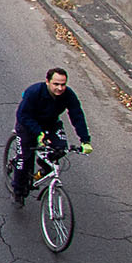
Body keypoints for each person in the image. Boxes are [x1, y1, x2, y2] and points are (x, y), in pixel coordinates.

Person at [10, 67, 92, 201]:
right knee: (24, 160)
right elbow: (23, 115)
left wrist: (85, 140)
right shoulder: (34, 92)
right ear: (47, 81)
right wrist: (38, 133)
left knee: (60, 149)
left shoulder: (68, 95)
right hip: (28, 125)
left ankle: (44, 168)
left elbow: (77, 115)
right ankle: (18, 191)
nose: (60, 88)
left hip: (50, 124)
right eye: (56, 84)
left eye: (63, 84)